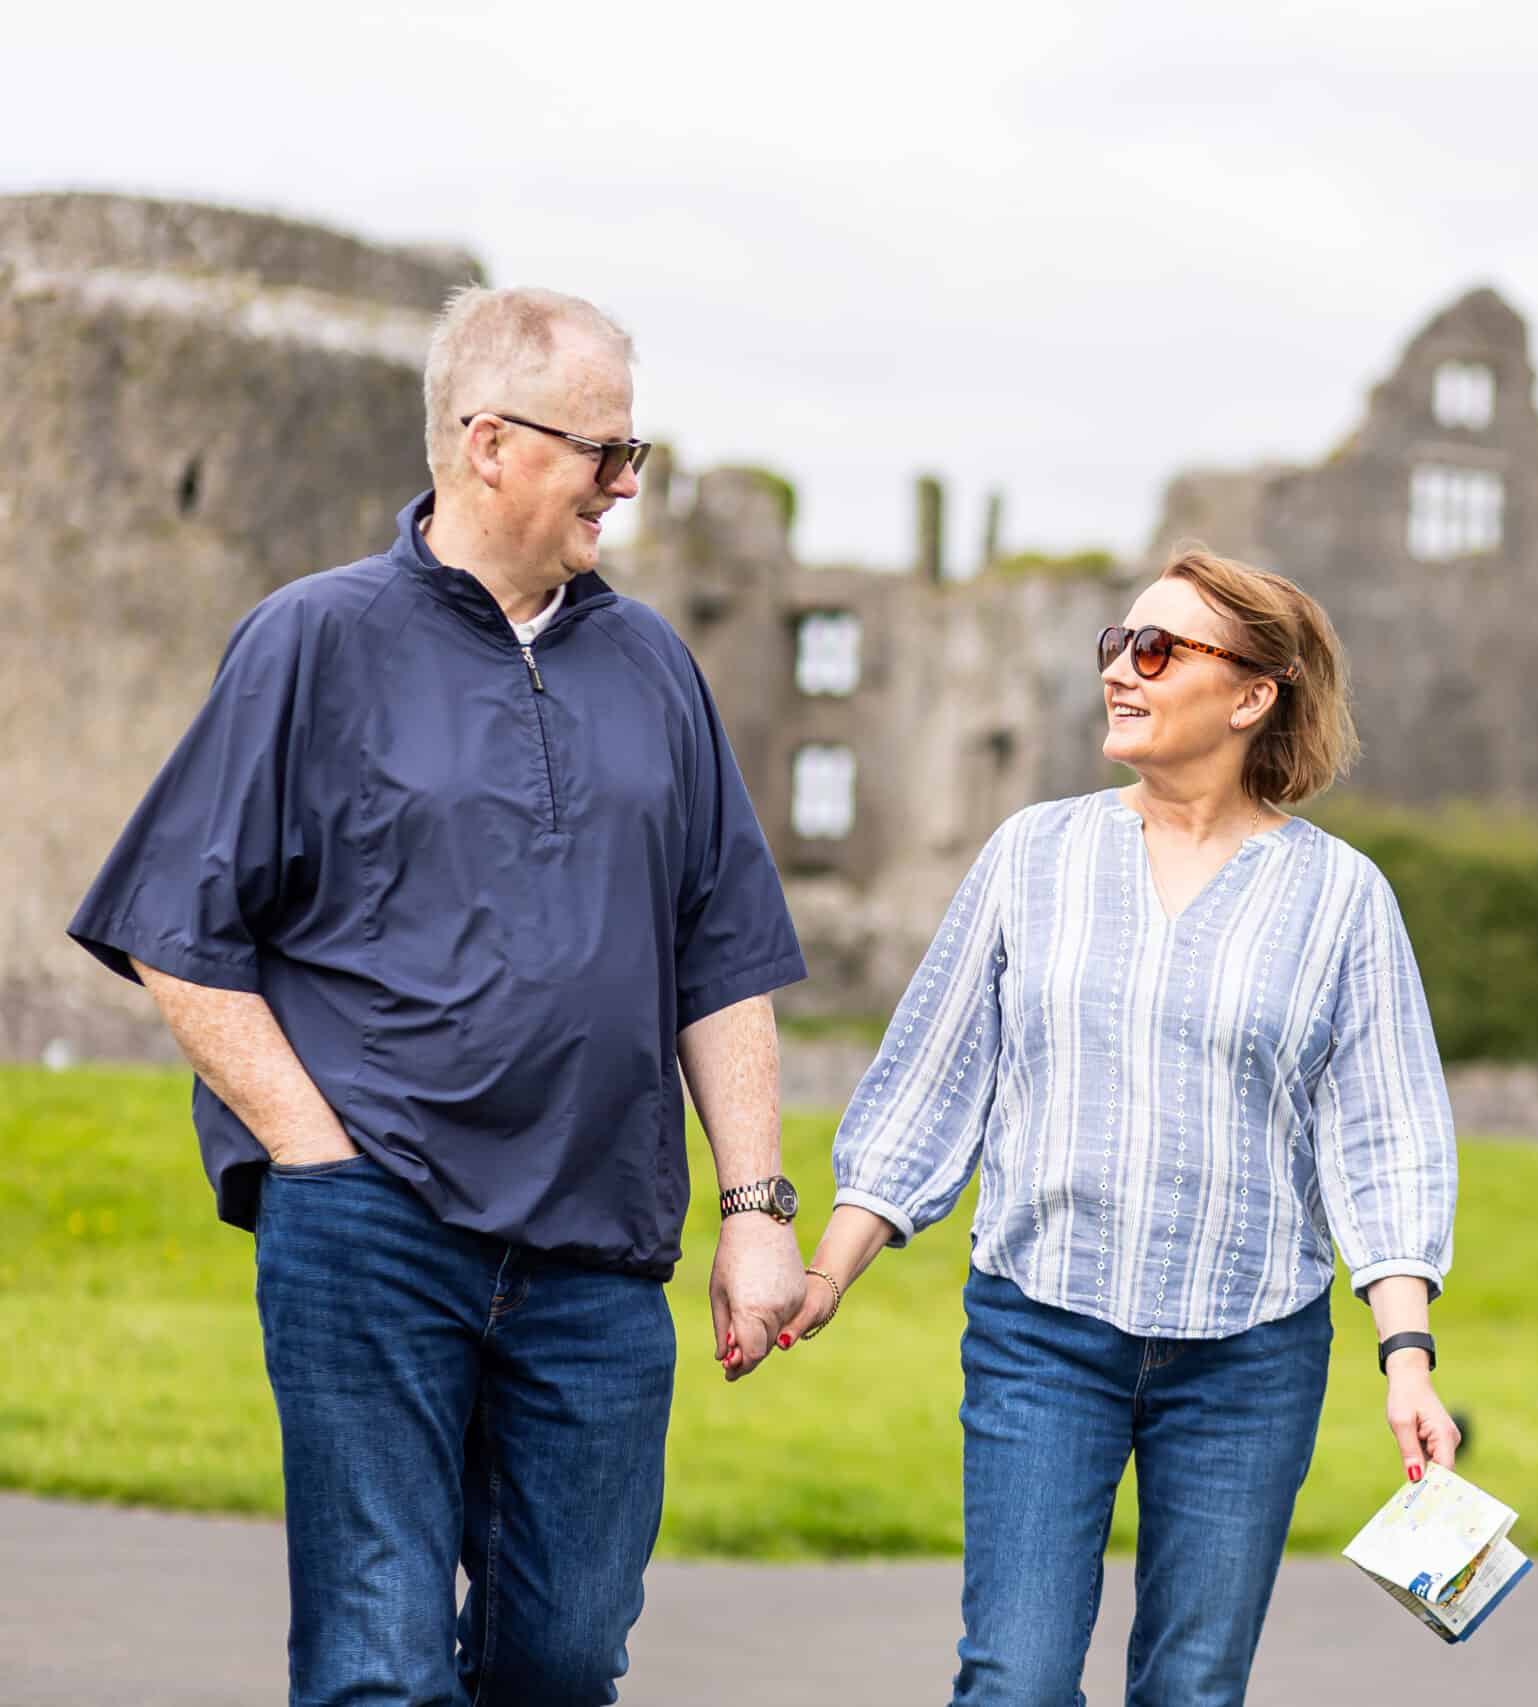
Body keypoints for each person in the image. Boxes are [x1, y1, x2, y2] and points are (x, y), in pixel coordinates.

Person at [66, 286, 809, 1707]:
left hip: (597, 1251)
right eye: (605, 452)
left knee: (566, 1653)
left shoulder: (655, 665)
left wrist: (758, 1210)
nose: (628, 485)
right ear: (488, 442)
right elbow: (179, 926)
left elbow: (723, 954)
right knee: (377, 1659)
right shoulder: (312, 640)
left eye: (636, 452)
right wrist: (313, 1152)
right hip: (375, 1224)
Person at [787, 547, 1461, 1705]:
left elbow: (1385, 1138)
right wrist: (829, 1273)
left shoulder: (1342, 899)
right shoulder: (1033, 855)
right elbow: (929, 1083)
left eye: (1157, 650)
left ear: (1253, 695)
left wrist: (1408, 1357)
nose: (1121, 672)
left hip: (1250, 1354)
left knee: (1193, 1689)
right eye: (1116, 644)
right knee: (1016, 1682)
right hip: (1042, 1333)